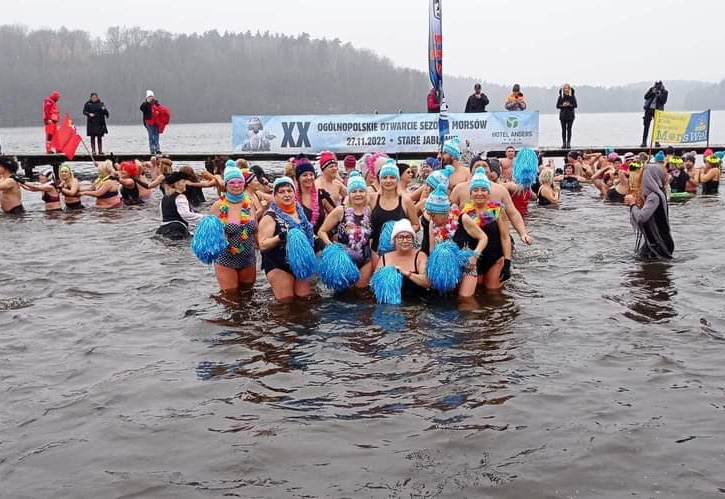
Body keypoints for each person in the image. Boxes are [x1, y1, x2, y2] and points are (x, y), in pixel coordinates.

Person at [422, 184, 487, 298]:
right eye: (429, 214)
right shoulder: (432, 223)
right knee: (445, 299)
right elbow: (432, 250)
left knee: (464, 299)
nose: (430, 218)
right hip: (447, 268)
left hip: (467, 265)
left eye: (433, 215)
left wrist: (474, 257)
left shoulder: (463, 218)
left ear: (444, 213)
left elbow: (483, 238)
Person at [259, 176, 315, 301]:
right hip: (278, 264)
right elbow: (262, 245)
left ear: (294, 193)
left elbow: (309, 234)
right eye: (281, 192)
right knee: (286, 302)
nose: (286, 195)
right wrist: (280, 237)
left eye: (289, 191)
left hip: (299, 262)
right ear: (275, 195)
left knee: (305, 299)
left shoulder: (300, 212)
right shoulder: (270, 216)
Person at [317, 172, 374, 289]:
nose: (358, 194)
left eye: (361, 191)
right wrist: (331, 247)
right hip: (343, 259)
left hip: (365, 260)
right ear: (349, 194)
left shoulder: (370, 211)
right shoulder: (340, 211)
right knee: (343, 293)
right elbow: (321, 231)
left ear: (366, 193)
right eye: (354, 191)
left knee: (360, 293)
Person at [208, 166, 259, 292]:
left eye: (240, 182)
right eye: (232, 182)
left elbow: (256, 230)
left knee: (248, 293)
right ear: (226, 185)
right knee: (230, 296)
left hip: (248, 258)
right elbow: (210, 236)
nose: (236, 185)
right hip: (226, 258)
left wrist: (264, 249)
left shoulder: (249, 203)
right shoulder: (218, 206)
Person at [460, 168, 512, 289]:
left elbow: (505, 237)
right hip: (474, 258)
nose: (479, 193)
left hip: (495, 258)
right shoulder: (465, 211)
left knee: (493, 292)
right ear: (470, 193)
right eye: (475, 190)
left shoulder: (498, 210)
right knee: (474, 292)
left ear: (489, 193)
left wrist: (507, 262)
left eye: (483, 190)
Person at [368, 159, 419, 256]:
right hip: (376, 250)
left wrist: (401, 232)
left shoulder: (405, 200)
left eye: (392, 177)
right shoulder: (372, 198)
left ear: (397, 180)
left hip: (400, 252)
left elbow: (416, 225)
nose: (388, 181)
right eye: (384, 177)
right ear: (380, 179)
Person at [625, 164, 674, 259]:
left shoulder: (654, 196)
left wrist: (632, 204)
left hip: (659, 242)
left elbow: (641, 218)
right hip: (657, 241)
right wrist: (635, 205)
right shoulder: (658, 194)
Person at [375, 219, 430, 298]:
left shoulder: (420, 256)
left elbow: (427, 283)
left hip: (417, 301)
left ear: (413, 239)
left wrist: (407, 273)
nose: (405, 240)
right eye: (401, 237)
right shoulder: (384, 258)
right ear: (394, 240)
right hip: (391, 302)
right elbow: (374, 284)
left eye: (408, 237)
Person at [156, 171, 204, 240]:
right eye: (183, 182)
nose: (185, 184)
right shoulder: (180, 197)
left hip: (162, 229)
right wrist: (205, 218)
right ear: (176, 184)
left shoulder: (164, 198)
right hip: (176, 230)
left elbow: (162, 216)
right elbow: (186, 215)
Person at [641, 81, 668, 147]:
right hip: (649, 109)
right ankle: (644, 142)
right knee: (646, 126)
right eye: (656, 86)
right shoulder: (652, 89)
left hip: (658, 111)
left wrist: (659, 95)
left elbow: (664, 101)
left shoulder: (665, 92)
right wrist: (652, 92)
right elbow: (645, 97)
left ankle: (657, 142)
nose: (657, 88)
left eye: (658, 86)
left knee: (657, 127)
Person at [140, 90, 162, 154]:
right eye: (149, 97)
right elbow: (141, 108)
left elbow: (161, 110)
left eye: (152, 97)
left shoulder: (156, 104)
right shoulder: (145, 105)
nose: (151, 98)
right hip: (149, 123)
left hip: (156, 123)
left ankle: (157, 149)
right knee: (151, 136)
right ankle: (152, 150)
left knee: (156, 136)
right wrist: (147, 102)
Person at [556, 83, 577, 149]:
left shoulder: (572, 96)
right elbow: (557, 106)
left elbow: (575, 105)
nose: (566, 89)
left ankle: (568, 143)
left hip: (570, 115)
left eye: (567, 88)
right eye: (565, 88)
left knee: (569, 129)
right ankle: (564, 143)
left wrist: (569, 105)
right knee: (563, 129)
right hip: (563, 115)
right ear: (563, 89)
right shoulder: (561, 96)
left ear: (569, 89)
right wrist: (563, 105)